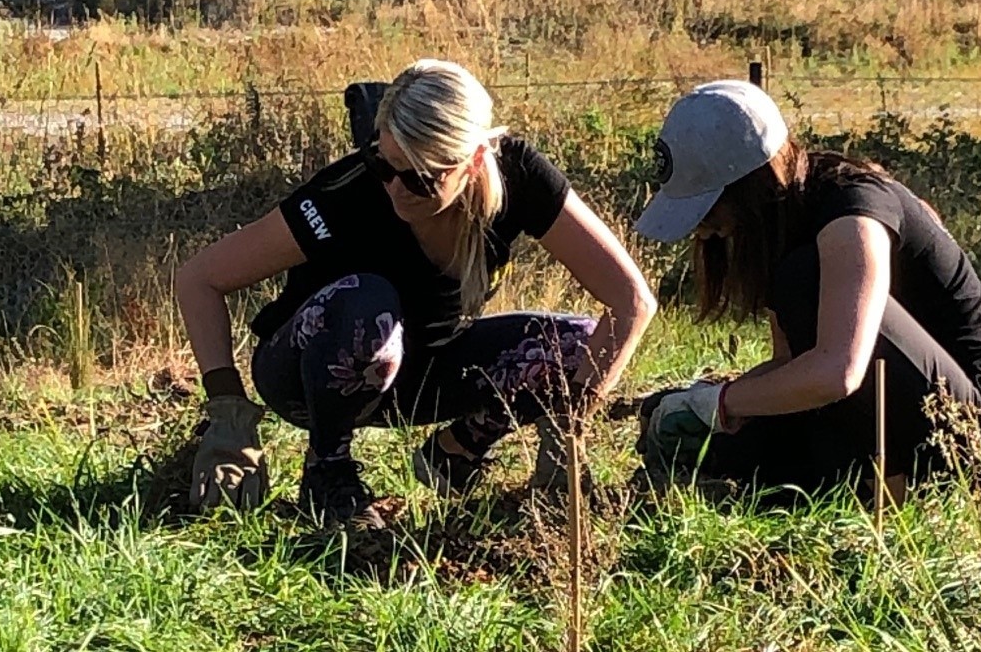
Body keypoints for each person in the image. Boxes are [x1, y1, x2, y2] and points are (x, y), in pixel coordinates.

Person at [176, 59, 657, 526]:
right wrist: (228, 415)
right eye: (385, 164)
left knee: (576, 344)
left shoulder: (518, 178)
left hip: (419, 371)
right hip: (309, 372)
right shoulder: (352, 191)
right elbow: (200, 279)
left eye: (421, 176)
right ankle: (327, 470)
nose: (396, 188)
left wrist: (567, 429)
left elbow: (630, 301)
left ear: (472, 161)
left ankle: (457, 452)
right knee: (368, 305)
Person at [634, 80, 981, 497]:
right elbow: (791, 364)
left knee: (803, 278)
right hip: (881, 413)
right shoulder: (786, 223)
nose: (703, 231)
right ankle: (860, 483)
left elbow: (839, 371)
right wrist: (707, 405)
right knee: (725, 450)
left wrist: (723, 402)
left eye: (707, 207)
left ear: (748, 185)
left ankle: (891, 497)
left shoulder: (853, 215)